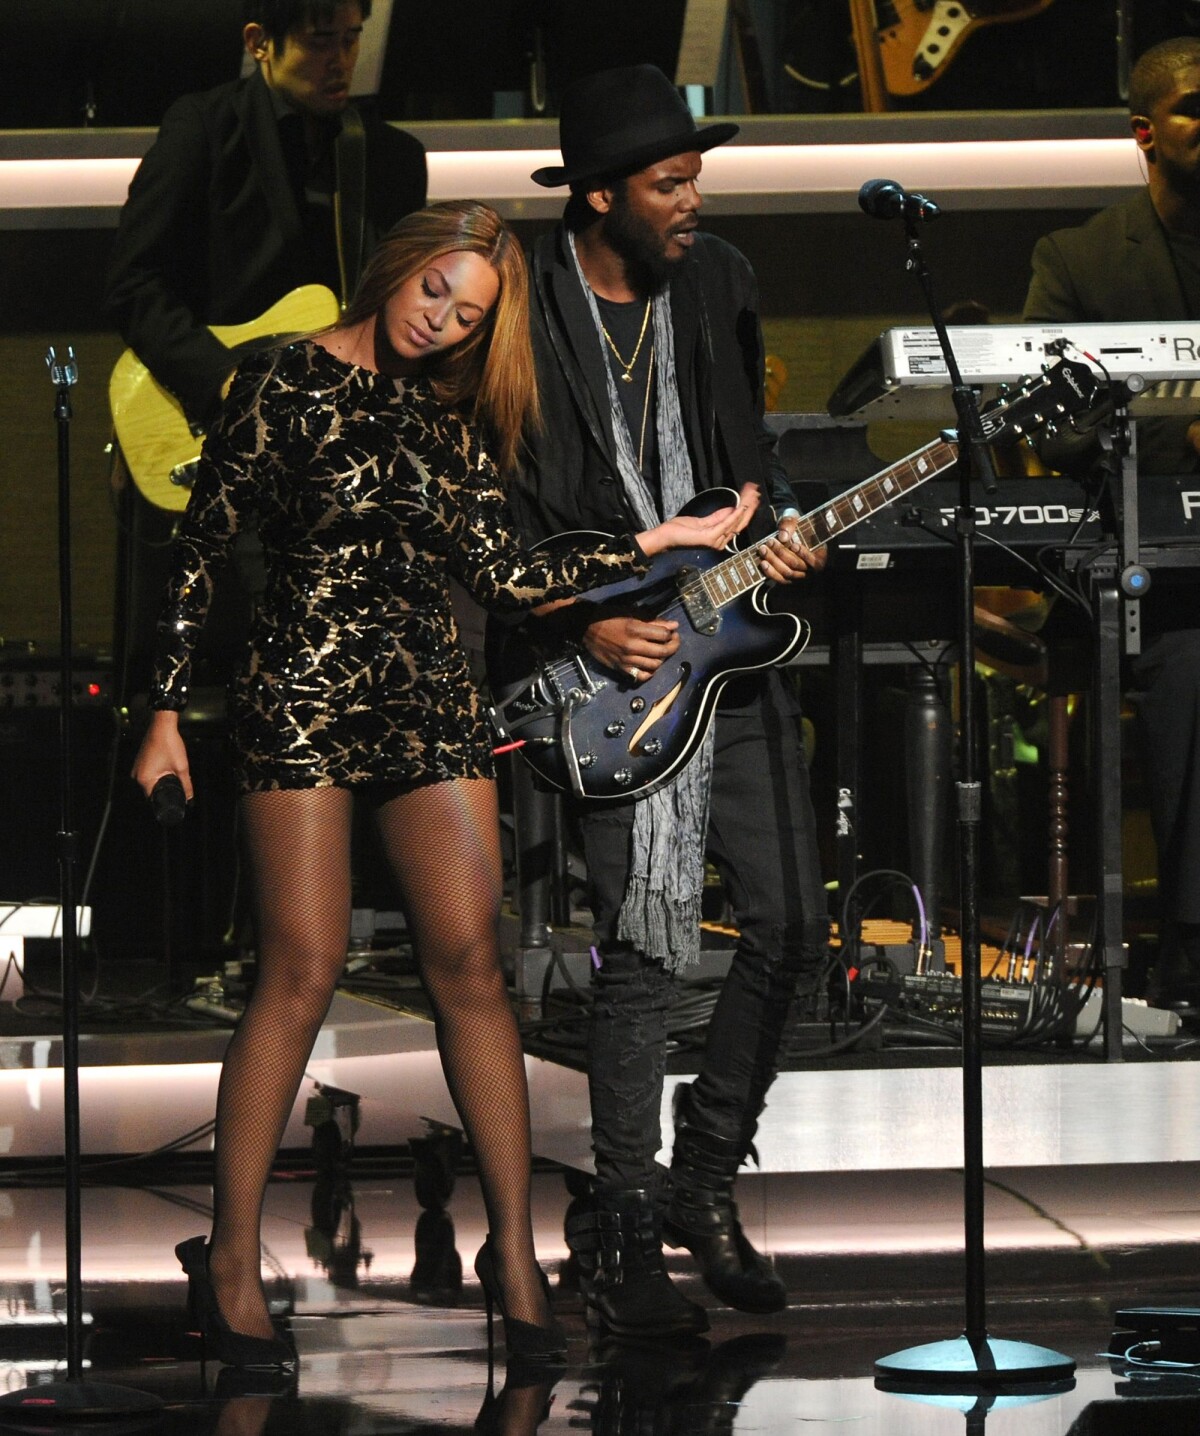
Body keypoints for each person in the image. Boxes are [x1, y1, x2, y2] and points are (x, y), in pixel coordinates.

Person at [132, 200, 757, 1370]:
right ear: (398, 270)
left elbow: (505, 570)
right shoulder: (279, 382)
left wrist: (646, 544)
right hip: (304, 689)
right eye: (436, 294)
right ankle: (227, 1259)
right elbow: (203, 554)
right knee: (303, 965)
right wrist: (163, 710)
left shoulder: (451, 415)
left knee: (471, 966)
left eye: (469, 315)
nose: (443, 324)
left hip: (427, 695)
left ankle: (513, 1253)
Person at [504, 65, 831, 1337]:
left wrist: (786, 531)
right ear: (598, 195)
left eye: (697, 178)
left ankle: (704, 1180)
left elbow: (751, 454)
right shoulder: (524, 305)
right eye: (668, 183)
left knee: (794, 923)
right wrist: (582, 615)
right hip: (604, 653)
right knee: (644, 944)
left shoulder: (720, 282)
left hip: (724, 638)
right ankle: (626, 1223)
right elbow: (499, 495)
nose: (693, 201)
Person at [106, 0, 427, 699]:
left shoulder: (391, 158)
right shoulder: (203, 129)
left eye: (351, 40)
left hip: (344, 459)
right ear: (259, 43)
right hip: (227, 445)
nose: (340, 60)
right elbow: (133, 285)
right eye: (318, 42)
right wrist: (225, 385)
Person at [1023, 35, 1200, 1009]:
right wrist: (1186, 432)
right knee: (1194, 656)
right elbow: (1057, 431)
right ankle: (1189, 937)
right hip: (1148, 565)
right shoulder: (1080, 259)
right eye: (1195, 109)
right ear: (1146, 132)